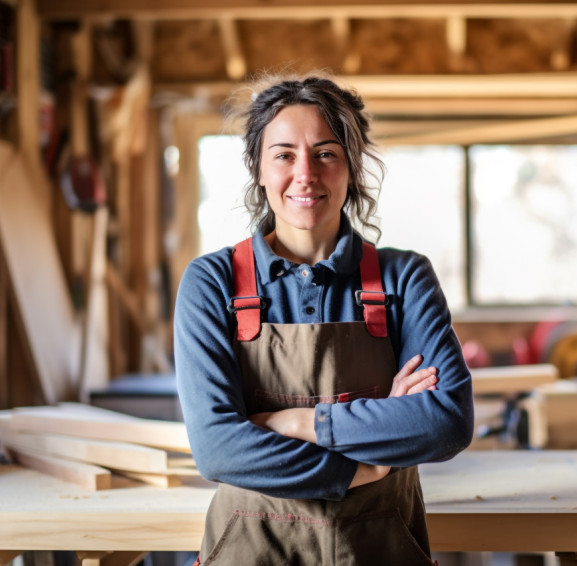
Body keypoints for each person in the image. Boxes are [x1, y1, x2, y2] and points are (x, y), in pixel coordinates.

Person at [174, 73, 474, 565]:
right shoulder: (212, 283)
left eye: (326, 154)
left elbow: (446, 422)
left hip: (381, 551)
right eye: (284, 155)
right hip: (252, 553)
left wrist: (298, 422)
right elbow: (218, 449)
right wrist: (364, 467)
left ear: (351, 167)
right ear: (259, 169)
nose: (306, 175)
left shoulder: (404, 278)